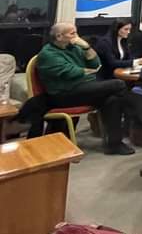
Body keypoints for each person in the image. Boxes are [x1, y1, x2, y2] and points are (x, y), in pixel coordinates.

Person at [36, 23, 134, 155]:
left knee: (112, 99)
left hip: (81, 88)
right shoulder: (48, 54)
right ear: (59, 36)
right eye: (72, 33)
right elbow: (72, 73)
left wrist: (86, 47)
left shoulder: (74, 48)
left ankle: (114, 144)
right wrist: (88, 71)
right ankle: (131, 119)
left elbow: (96, 63)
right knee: (119, 85)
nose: (77, 37)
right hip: (63, 94)